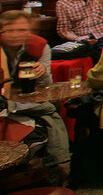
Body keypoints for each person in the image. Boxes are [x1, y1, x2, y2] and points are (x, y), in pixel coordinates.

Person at [0, 10, 69, 182]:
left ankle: (53, 166)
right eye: (10, 30)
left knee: (50, 109)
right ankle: (59, 164)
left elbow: (47, 86)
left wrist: (43, 71)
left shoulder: (39, 46)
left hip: (25, 100)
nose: (16, 35)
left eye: (22, 30)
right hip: (5, 102)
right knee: (50, 112)